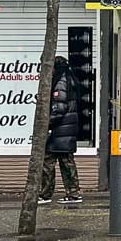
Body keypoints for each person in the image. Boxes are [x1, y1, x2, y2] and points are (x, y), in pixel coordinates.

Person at [40, 56, 82, 205]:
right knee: (66, 162)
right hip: (66, 129)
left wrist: (45, 123)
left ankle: (45, 194)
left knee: (48, 161)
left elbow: (59, 107)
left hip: (60, 130)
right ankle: (73, 193)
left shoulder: (60, 82)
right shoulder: (69, 79)